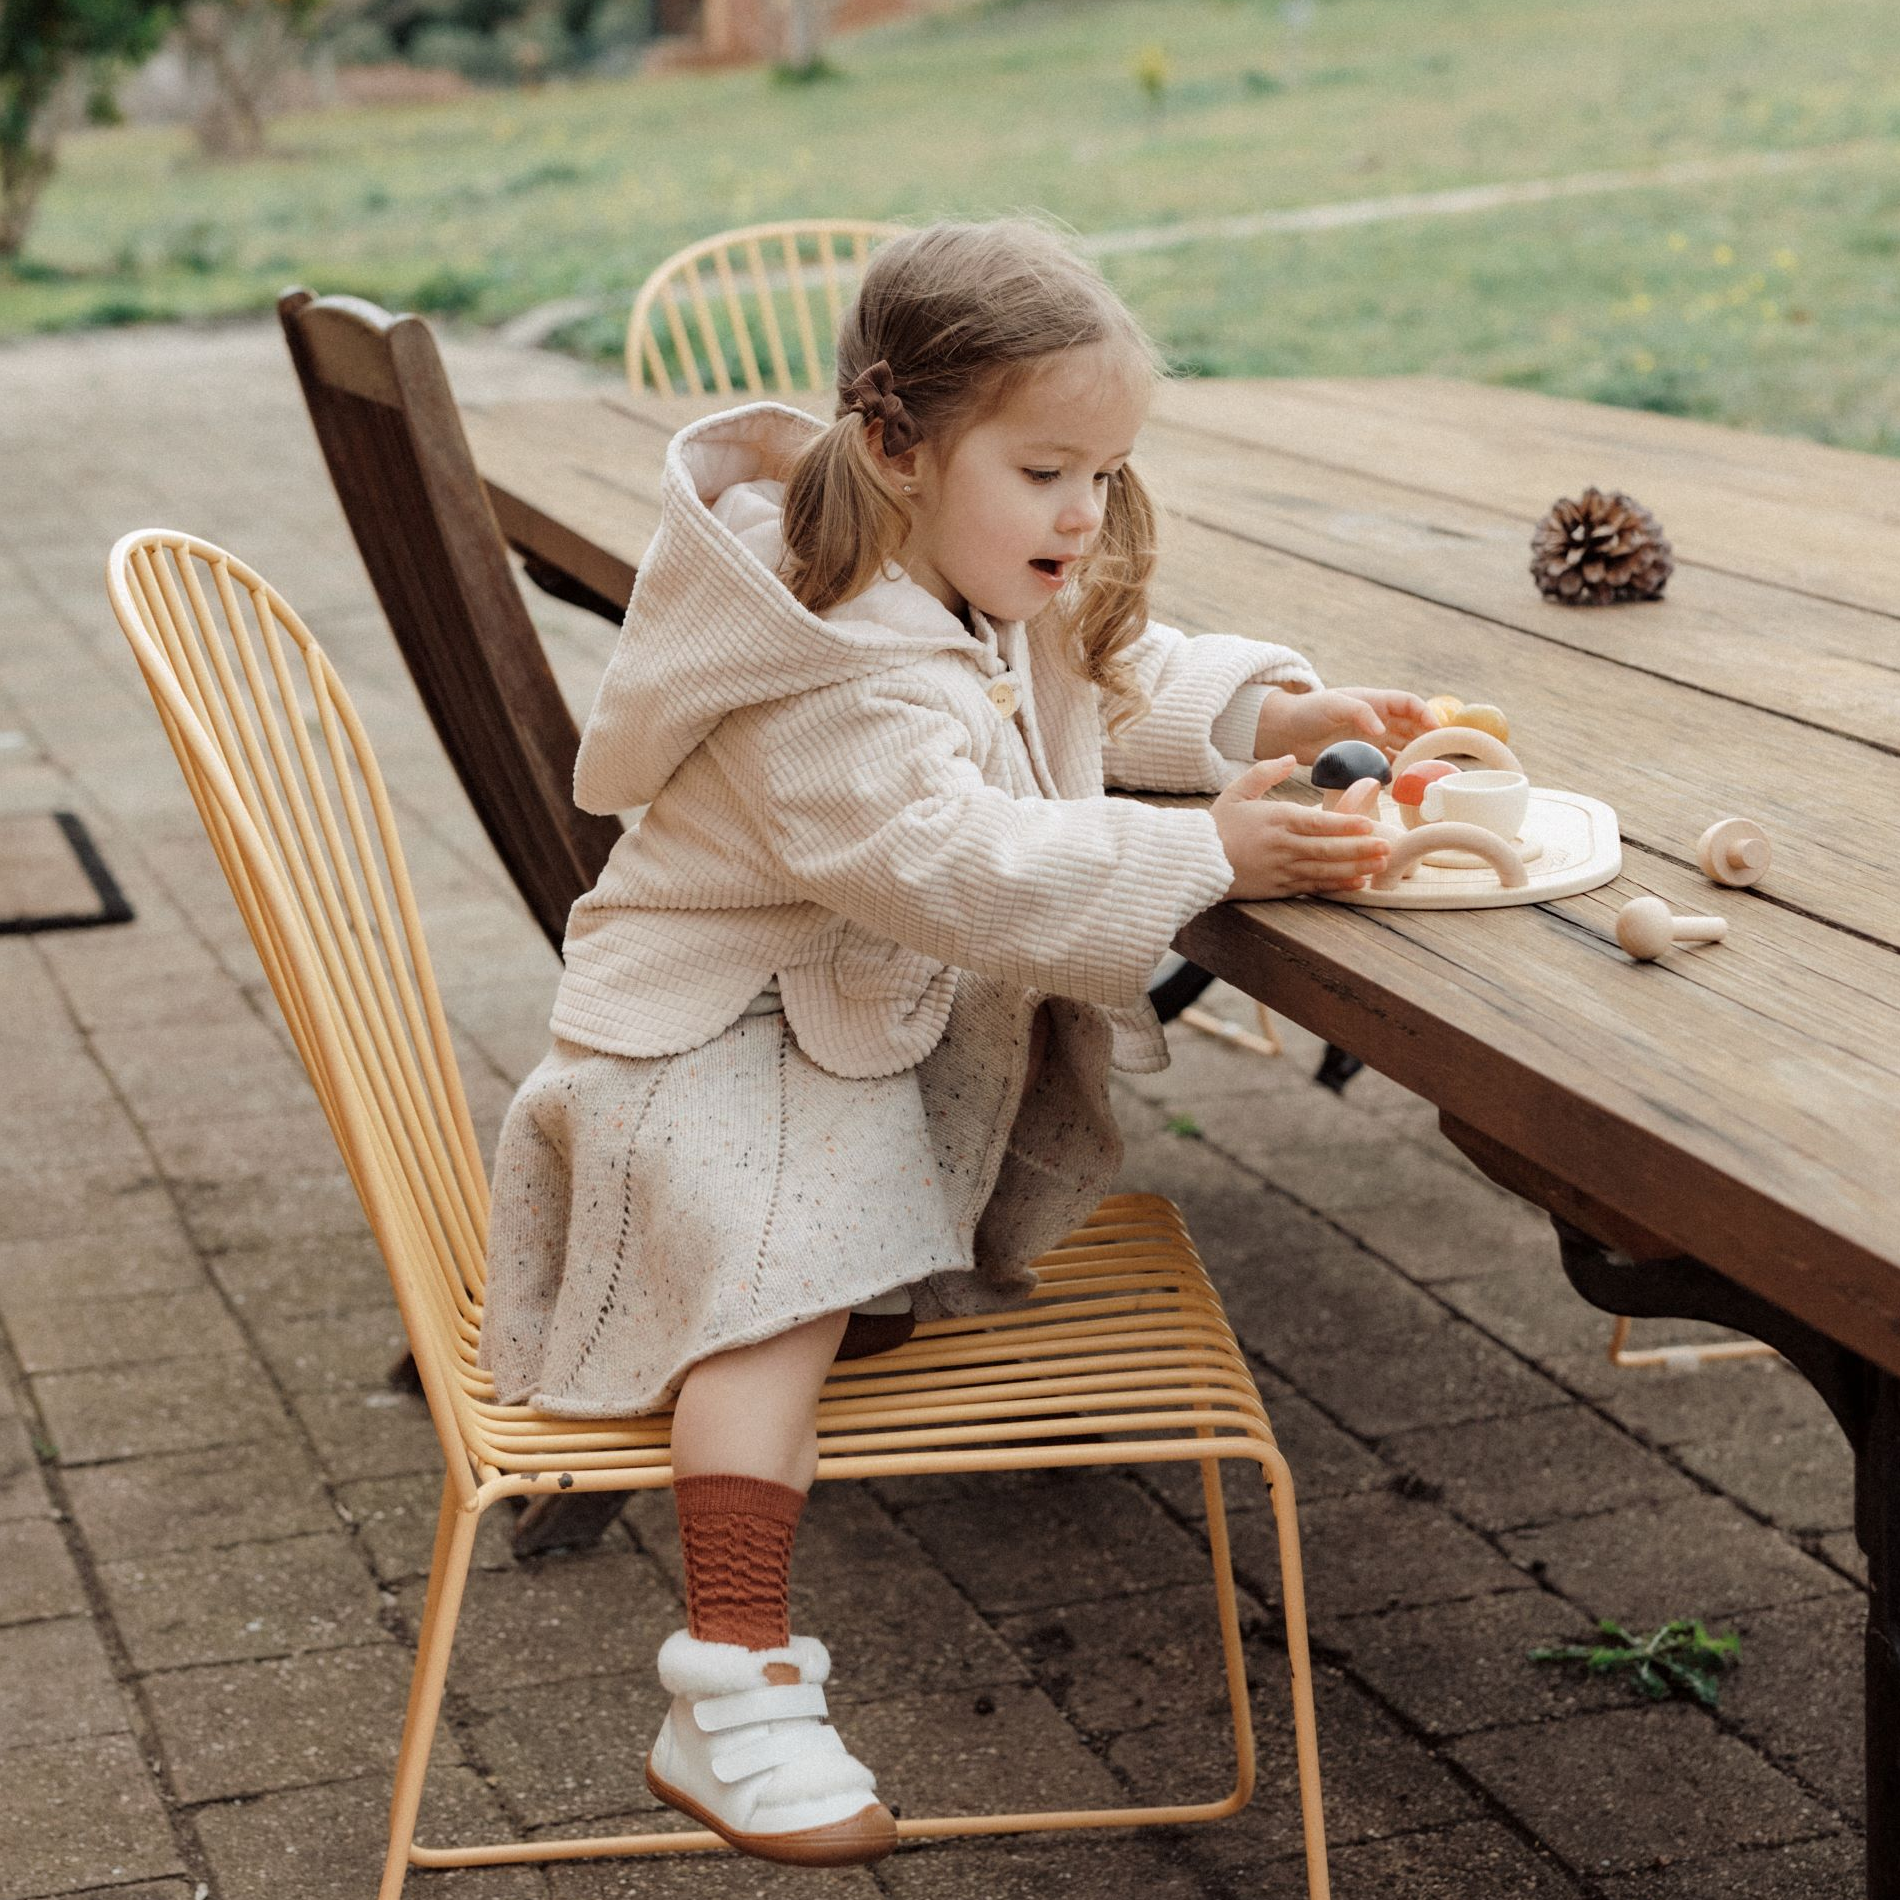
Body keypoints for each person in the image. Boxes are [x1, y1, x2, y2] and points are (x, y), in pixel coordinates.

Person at [479, 217, 1433, 1867]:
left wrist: (1271, 719)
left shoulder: (961, 572)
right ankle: (729, 1689)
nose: (1084, 514)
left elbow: (1098, 677)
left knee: (813, 1255)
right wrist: (1207, 851)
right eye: (1048, 472)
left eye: (1106, 476)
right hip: (707, 1045)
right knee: (775, 1293)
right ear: (897, 446)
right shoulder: (825, 664)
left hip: (824, 1019)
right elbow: (956, 863)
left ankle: (826, 1342)